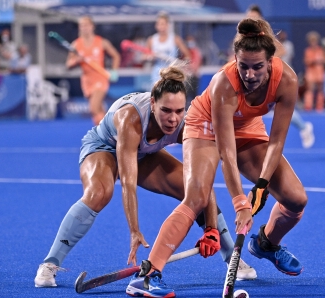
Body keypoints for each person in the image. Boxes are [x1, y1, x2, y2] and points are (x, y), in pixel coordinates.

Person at [127, 17, 308, 297]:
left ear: (271, 61)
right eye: (243, 66)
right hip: (205, 125)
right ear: (234, 60)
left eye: (257, 67)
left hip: (247, 127)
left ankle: (266, 243)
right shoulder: (225, 82)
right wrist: (240, 204)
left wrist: (260, 186)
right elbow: (227, 151)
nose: (249, 74)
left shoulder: (288, 80)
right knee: (197, 197)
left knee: (296, 199)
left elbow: (277, 142)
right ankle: (148, 276)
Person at [34, 64, 257, 288]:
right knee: (99, 193)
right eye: (166, 111)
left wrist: (210, 229)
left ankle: (232, 259)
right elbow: (128, 183)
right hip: (104, 148)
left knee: (194, 187)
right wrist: (134, 231)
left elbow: (204, 180)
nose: (173, 119)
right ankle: (50, 264)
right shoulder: (131, 119)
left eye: (179, 111)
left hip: (144, 154)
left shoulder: (186, 125)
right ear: (152, 103)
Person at [246, 4, 315, 149]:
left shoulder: (263, 34)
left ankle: (302, 128)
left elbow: (281, 50)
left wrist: (262, 61)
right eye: (249, 16)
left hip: (275, 77)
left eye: (254, 16)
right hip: (257, 79)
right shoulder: (245, 35)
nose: (250, 19)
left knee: (279, 107)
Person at [66, 16, 121, 126]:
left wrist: (114, 71)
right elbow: (68, 64)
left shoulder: (101, 42)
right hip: (86, 80)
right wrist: (77, 60)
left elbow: (116, 56)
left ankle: (102, 135)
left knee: (94, 108)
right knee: (99, 111)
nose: (84, 28)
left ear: (92, 27)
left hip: (100, 78)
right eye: (82, 26)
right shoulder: (76, 45)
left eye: (86, 25)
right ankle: (112, 131)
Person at [144, 12, 191, 91]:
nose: (161, 26)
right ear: (156, 25)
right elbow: (144, 56)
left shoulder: (175, 39)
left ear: (168, 25)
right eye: (159, 24)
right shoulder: (151, 40)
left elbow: (187, 55)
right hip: (157, 73)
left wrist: (184, 66)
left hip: (172, 72)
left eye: (163, 24)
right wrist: (149, 57)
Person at [303, 31, 325, 112]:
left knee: (320, 89)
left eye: (314, 40)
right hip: (311, 72)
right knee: (310, 89)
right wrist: (314, 61)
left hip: (320, 72)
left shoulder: (321, 50)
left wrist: (322, 60)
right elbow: (306, 61)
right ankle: (308, 106)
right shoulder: (308, 51)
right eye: (311, 40)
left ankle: (320, 106)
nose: (313, 42)